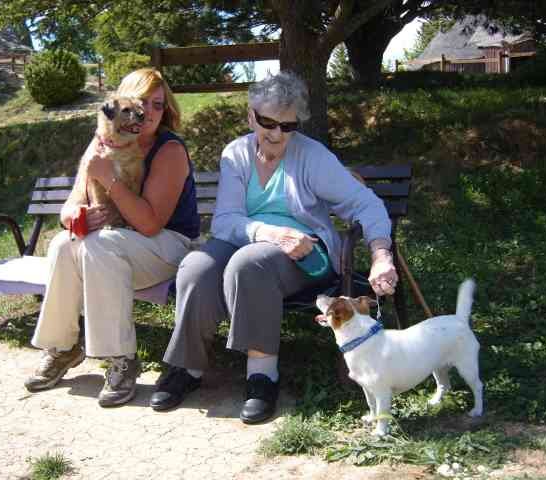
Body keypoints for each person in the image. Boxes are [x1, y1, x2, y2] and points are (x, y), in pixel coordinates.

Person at [149, 71, 398, 423]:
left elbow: (366, 204)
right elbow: (225, 222)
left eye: (288, 125)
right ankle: (187, 367)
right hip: (250, 239)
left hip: (306, 253)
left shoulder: (313, 157)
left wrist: (380, 255)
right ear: (251, 115)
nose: (277, 133)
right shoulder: (235, 154)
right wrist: (270, 232)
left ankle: (262, 374)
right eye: (267, 122)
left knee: (248, 264)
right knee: (196, 267)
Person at [24, 68, 200, 407]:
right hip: (117, 243)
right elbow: (73, 202)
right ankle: (62, 348)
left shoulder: (169, 150)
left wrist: (110, 181)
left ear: (168, 110)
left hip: (168, 245)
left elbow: (150, 224)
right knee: (63, 243)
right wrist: (77, 215)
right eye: (140, 103)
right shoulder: (101, 142)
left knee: (99, 245)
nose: (148, 113)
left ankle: (121, 358)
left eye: (158, 105)